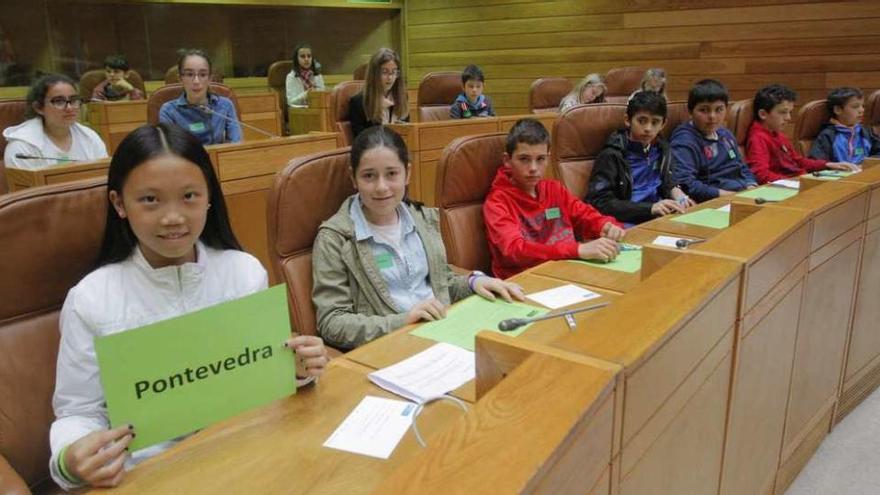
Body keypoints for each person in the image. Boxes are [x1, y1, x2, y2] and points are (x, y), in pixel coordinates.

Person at [49, 123, 328, 490]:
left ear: (209, 197)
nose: (173, 217)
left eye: (189, 196)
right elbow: (78, 411)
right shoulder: (91, 298)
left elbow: (263, 377)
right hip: (152, 473)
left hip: (252, 455)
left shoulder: (243, 272)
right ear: (119, 204)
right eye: (150, 200)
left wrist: (296, 369)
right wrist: (71, 456)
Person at [312, 126, 523, 350]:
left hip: (444, 333)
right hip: (392, 348)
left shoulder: (421, 219)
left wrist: (474, 281)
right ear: (353, 178)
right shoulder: (334, 239)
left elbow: (443, 283)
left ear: (407, 174)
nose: (381, 187)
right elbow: (332, 322)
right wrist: (403, 321)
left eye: (392, 174)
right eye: (369, 176)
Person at [484, 118, 625, 280]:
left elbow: (585, 216)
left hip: (568, 270)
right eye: (524, 159)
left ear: (548, 158)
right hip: (525, 281)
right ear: (507, 161)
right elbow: (515, 250)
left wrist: (606, 225)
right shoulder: (497, 202)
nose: (533, 168)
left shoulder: (554, 189)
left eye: (540, 159)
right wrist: (577, 250)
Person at [587, 91, 693, 225]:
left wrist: (677, 193)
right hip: (627, 221)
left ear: (663, 124)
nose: (648, 128)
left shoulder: (663, 148)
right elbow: (599, 202)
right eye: (642, 121)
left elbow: (666, 181)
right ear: (627, 120)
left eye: (655, 122)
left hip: (660, 216)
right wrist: (650, 208)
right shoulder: (612, 154)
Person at [746, 84, 858, 183]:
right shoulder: (758, 137)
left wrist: (828, 165)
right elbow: (760, 174)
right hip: (787, 186)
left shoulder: (777, 134)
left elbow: (798, 161)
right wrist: (794, 182)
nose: (788, 118)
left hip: (798, 180)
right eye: (783, 112)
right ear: (763, 114)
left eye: (790, 112)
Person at [671, 79, 757, 202]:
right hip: (715, 199)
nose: (712, 116)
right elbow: (686, 184)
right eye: (704, 110)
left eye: (719, 109)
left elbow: (741, 167)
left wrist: (751, 185)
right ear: (690, 111)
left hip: (740, 194)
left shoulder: (725, 134)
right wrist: (730, 196)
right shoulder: (684, 140)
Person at [3, 74, 107, 169]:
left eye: (74, 100)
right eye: (59, 101)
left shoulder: (90, 137)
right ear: (38, 107)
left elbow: (104, 178)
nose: (69, 108)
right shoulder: (22, 148)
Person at [159, 49, 241, 145]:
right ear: (180, 78)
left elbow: (236, 144)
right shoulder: (168, 111)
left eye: (202, 75)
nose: (196, 81)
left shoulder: (225, 105)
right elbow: (168, 151)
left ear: (210, 78)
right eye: (190, 74)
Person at [808, 87, 880, 165]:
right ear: (838, 110)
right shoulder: (828, 135)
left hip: (864, 174)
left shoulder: (865, 132)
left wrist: (867, 164)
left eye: (863, 106)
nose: (861, 110)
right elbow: (818, 162)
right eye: (855, 107)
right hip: (841, 175)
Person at [348, 48, 409, 139]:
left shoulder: (402, 97)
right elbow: (361, 140)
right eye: (385, 72)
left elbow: (407, 132)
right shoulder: (359, 102)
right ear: (374, 74)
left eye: (394, 72)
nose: (390, 77)